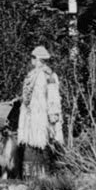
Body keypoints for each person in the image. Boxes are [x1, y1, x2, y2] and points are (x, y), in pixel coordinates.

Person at [17, 45, 64, 178]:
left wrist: (53, 114)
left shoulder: (49, 76)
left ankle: (44, 176)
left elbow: (54, 96)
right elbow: (28, 96)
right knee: (30, 142)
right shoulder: (31, 75)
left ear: (39, 59)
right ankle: (30, 176)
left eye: (33, 57)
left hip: (42, 116)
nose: (31, 60)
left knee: (41, 142)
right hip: (30, 116)